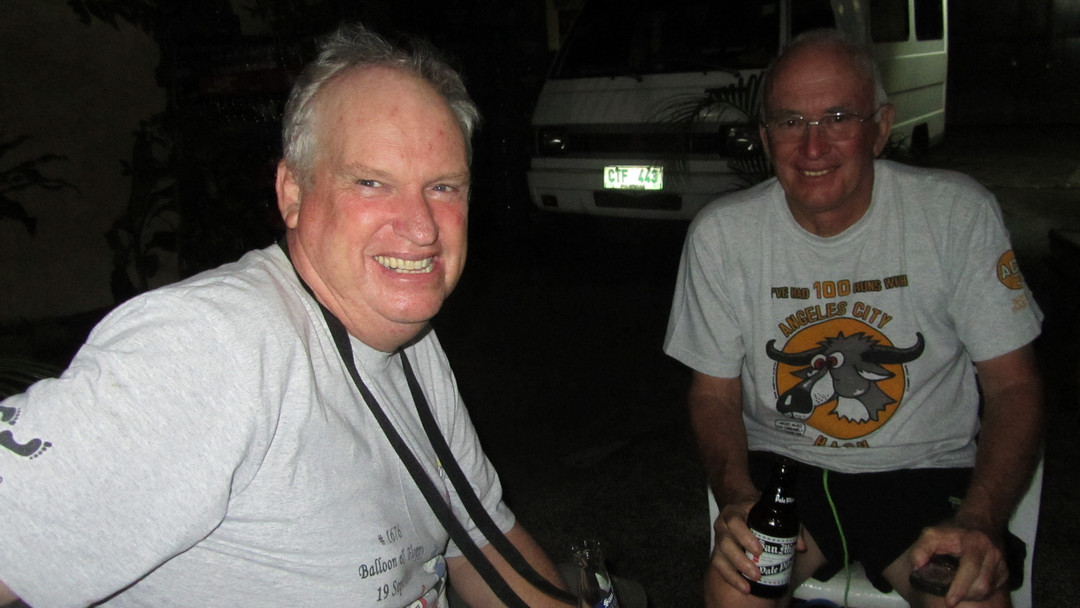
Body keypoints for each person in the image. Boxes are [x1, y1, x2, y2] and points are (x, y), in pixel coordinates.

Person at [0, 23, 570, 608]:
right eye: (371, 182)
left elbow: (480, 539)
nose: (422, 227)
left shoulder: (410, 341)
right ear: (292, 193)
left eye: (444, 187)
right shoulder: (210, 348)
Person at [664, 29, 1044, 608]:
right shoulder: (722, 235)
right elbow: (712, 394)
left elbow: (1014, 386)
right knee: (735, 591)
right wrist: (737, 494)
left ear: (881, 127)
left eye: (838, 118)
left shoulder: (956, 213)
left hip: (927, 471)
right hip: (786, 473)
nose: (812, 147)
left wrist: (980, 518)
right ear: (765, 138)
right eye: (790, 121)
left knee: (969, 596)